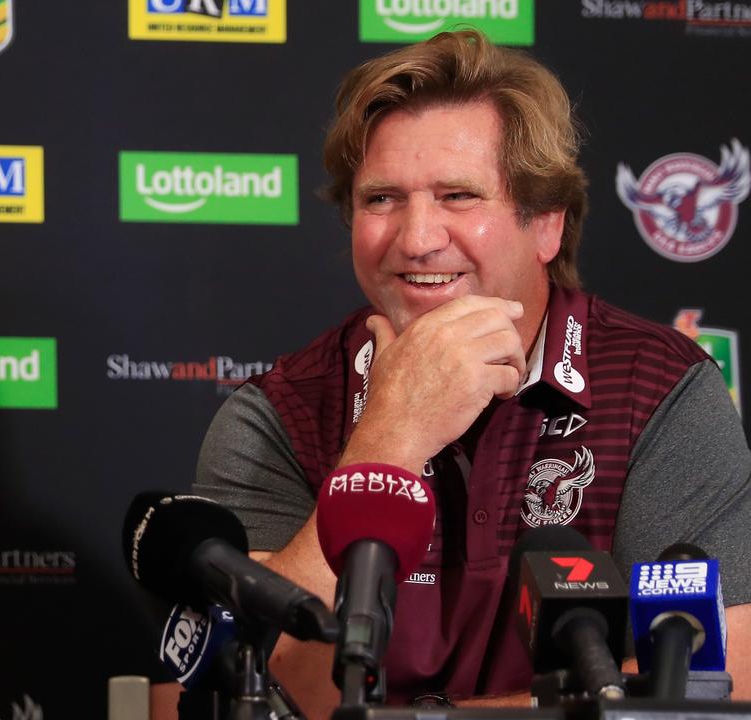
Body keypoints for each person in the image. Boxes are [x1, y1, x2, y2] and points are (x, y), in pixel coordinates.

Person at [164, 29, 751, 715]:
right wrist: (389, 439)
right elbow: (245, 692)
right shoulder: (278, 414)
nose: (416, 238)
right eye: (381, 199)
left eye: (459, 196)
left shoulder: (656, 391)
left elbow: (721, 681)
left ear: (547, 225)